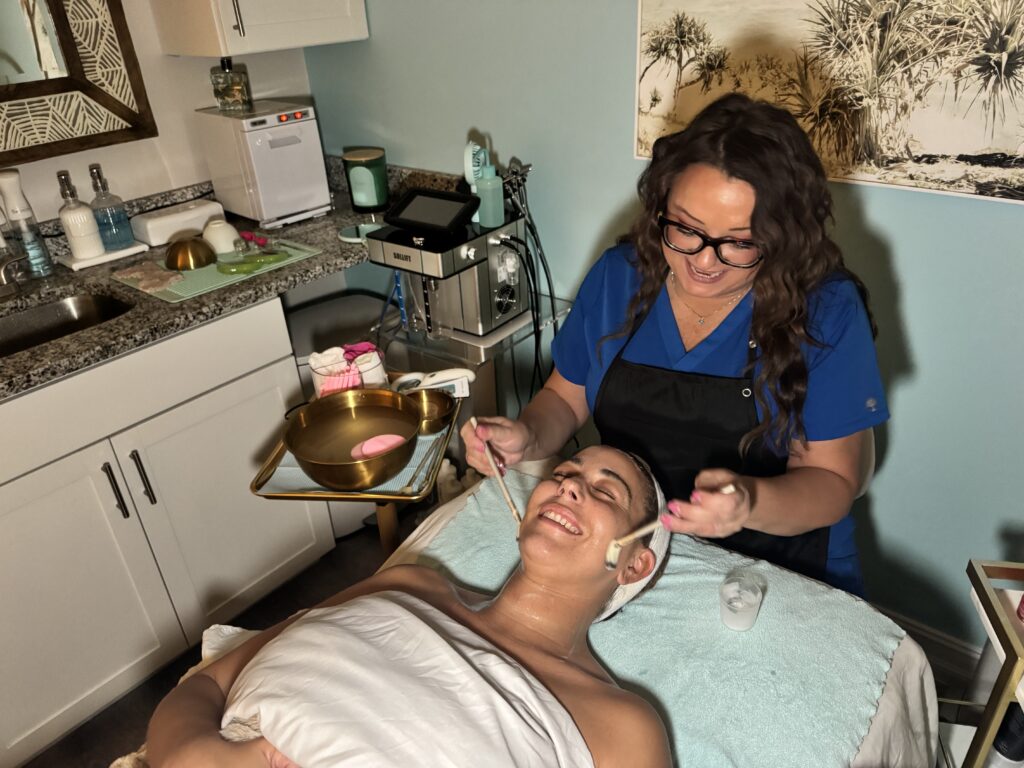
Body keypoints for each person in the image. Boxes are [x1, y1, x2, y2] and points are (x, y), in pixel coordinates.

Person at [462, 92, 888, 596]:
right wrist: (527, 437)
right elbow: (565, 397)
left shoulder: (825, 310)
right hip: (639, 550)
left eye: (740, 242)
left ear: (784, 239)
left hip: (783, 565)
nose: (704, 262)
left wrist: (747, 503)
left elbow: (833, 483)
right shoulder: (619, 277)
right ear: (660, 205)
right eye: (685, 228)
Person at [146, 445, 673, 768]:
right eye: (563, 474)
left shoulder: (620, 724)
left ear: (634, 565)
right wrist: (190, 755)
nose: (571, 486)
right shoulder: (412, 583)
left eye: (607, 493)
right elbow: (207, 684)